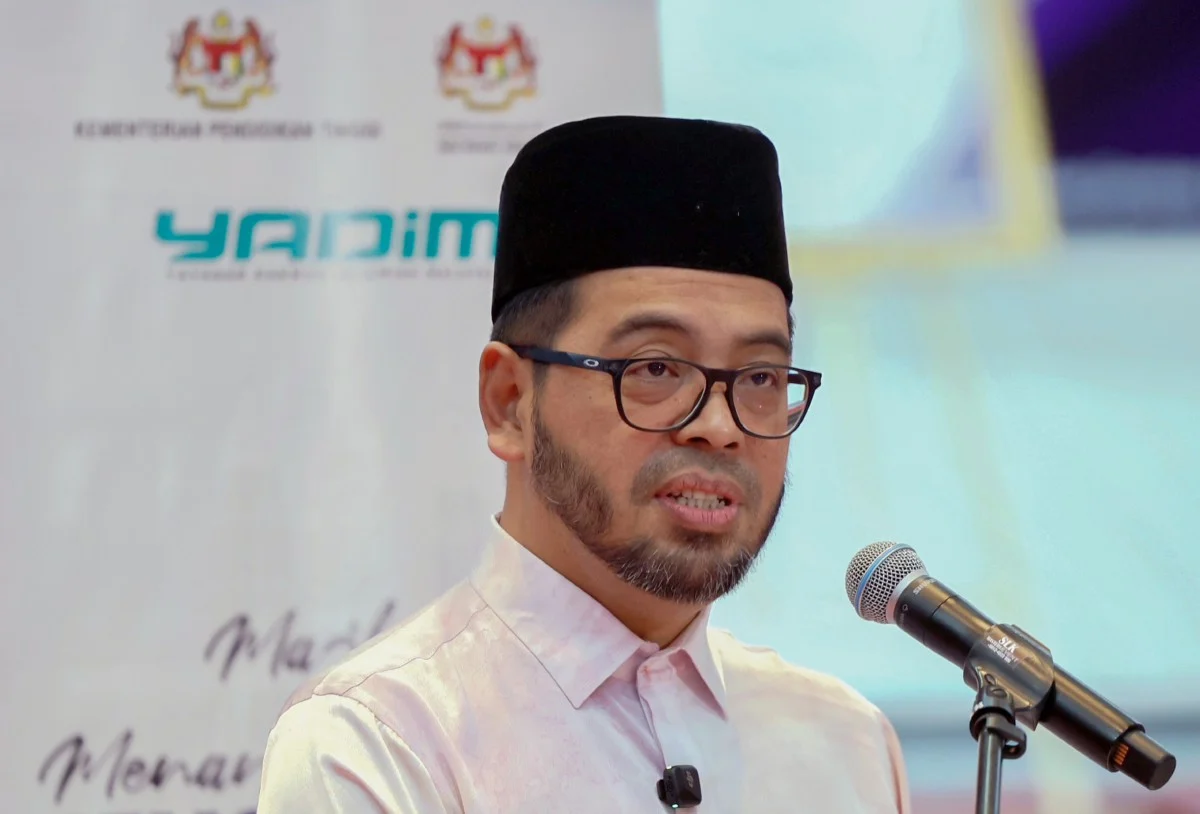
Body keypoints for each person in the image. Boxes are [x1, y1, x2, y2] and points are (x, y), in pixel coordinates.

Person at [256, 115, 912, 812]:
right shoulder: (381, 744)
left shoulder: (845, 743)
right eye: (656, 368)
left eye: (759, 377)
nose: (720, 428)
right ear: (510, 402)